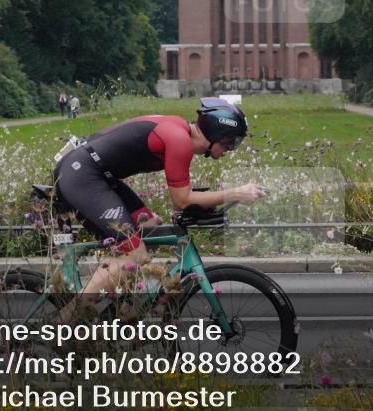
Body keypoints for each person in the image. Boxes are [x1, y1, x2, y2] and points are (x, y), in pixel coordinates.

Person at [52, 98, 266, 308]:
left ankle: (120, 305)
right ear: (216, 134)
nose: (229, 152)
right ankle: (66, 322)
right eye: (230, 144)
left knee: (150, 228)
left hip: (96, 174)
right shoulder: (179, 139)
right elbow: (182, 200)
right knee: (135, 254)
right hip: (84, 177)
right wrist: (235, 193)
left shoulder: (180, 130)